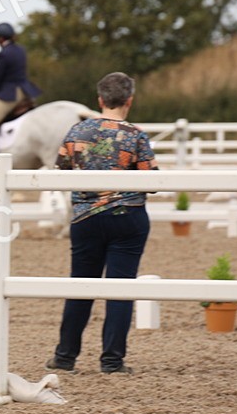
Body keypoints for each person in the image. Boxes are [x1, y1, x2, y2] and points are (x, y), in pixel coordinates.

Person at [47, 72, 158, 375]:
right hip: (127, 218)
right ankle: (112, 360)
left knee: (81, 284)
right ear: (129, 101)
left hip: (86, 219)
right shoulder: (136, 135)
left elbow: (60, 169)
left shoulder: (76, 131)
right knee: (120, 288)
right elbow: (152, 180)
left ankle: (65, 355)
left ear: (100, 100)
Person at [0, 22, 41, 169]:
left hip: (10, 93)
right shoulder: (21, 50)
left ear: (0, 39)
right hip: (25, 90)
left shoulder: (2, 54)